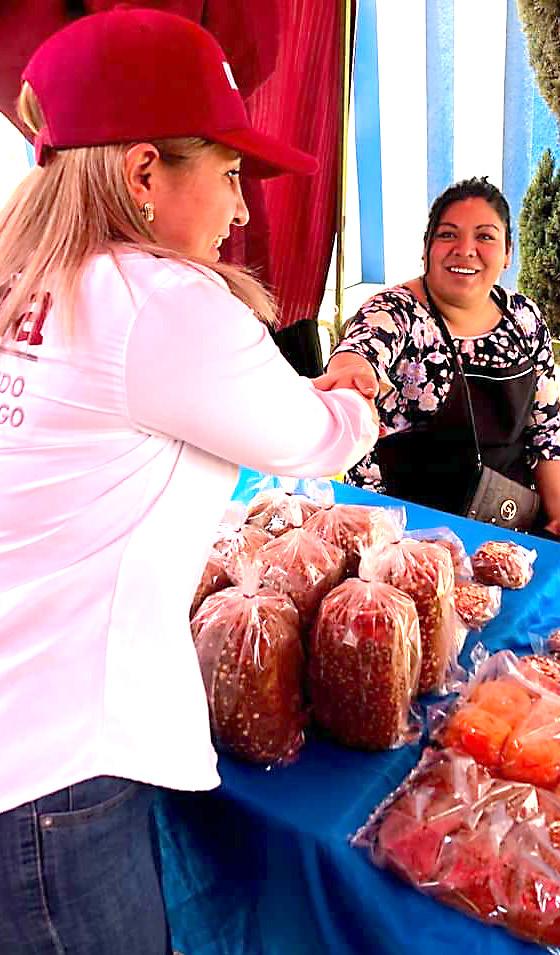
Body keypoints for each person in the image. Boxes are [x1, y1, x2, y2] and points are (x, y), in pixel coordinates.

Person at [0, 8, 379, 954]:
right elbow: (314, 440)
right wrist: (355, 388)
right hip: (54, 770)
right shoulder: (160, 301)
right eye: (230, 172)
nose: (243, 211)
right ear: (142, 174)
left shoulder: (26, 280)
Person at [316, 177, 560, 535]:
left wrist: (556, 516)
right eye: (448, 235)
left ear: (508, 252)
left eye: (485, 236)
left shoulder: (524, 319)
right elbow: (361, 349)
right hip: (405, 534)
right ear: (427, 248)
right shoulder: (396, 311)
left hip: (507, 530)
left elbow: (546, 431)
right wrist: (352, 376)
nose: (465, 249)